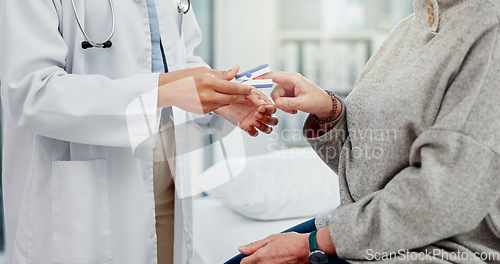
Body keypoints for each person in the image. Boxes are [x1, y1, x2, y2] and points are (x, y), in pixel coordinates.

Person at [0, 0, 277, 264]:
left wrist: (218, 98)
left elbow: (180, 55)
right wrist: (160, 90)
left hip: (166, 171)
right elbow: (32, 92)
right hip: (81, 191)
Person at [227, 0, 500, 263]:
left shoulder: (487, 29)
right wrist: (329, 111)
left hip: (440, 249)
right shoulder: (410, 28)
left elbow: (448, 196)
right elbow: (368, 171)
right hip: (363, 228)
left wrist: (315, 244)